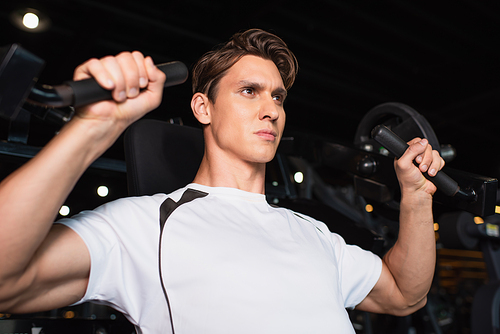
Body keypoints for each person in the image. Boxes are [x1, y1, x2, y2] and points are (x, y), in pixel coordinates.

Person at [0, 29, 444, 334]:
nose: (271, 108)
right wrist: (92, 128)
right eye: (249, 91)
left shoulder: (313, 233)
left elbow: (405, 295)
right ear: (203, 108)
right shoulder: (146, 225)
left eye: (277, 96)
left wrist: (417, 198)